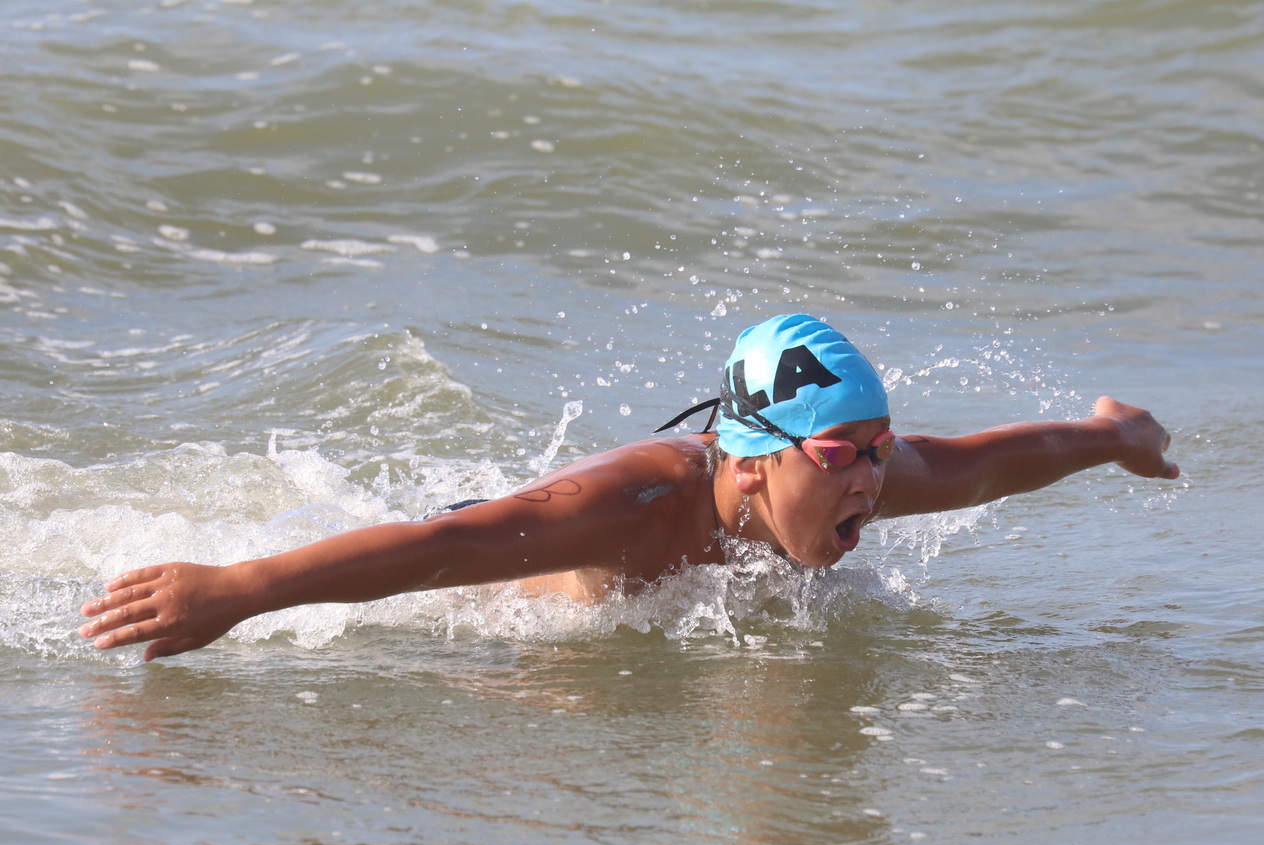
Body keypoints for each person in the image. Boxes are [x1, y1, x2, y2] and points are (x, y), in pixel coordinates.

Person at [79, 314, 1179, 660]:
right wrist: (237, 585)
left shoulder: (851, 485)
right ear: (752, 456)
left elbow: (989, 465)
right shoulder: (633, 504)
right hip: (512, 637)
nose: (875, 476)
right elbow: (445, 546)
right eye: (844, 452)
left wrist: (1110, 434)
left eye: (881, 446)